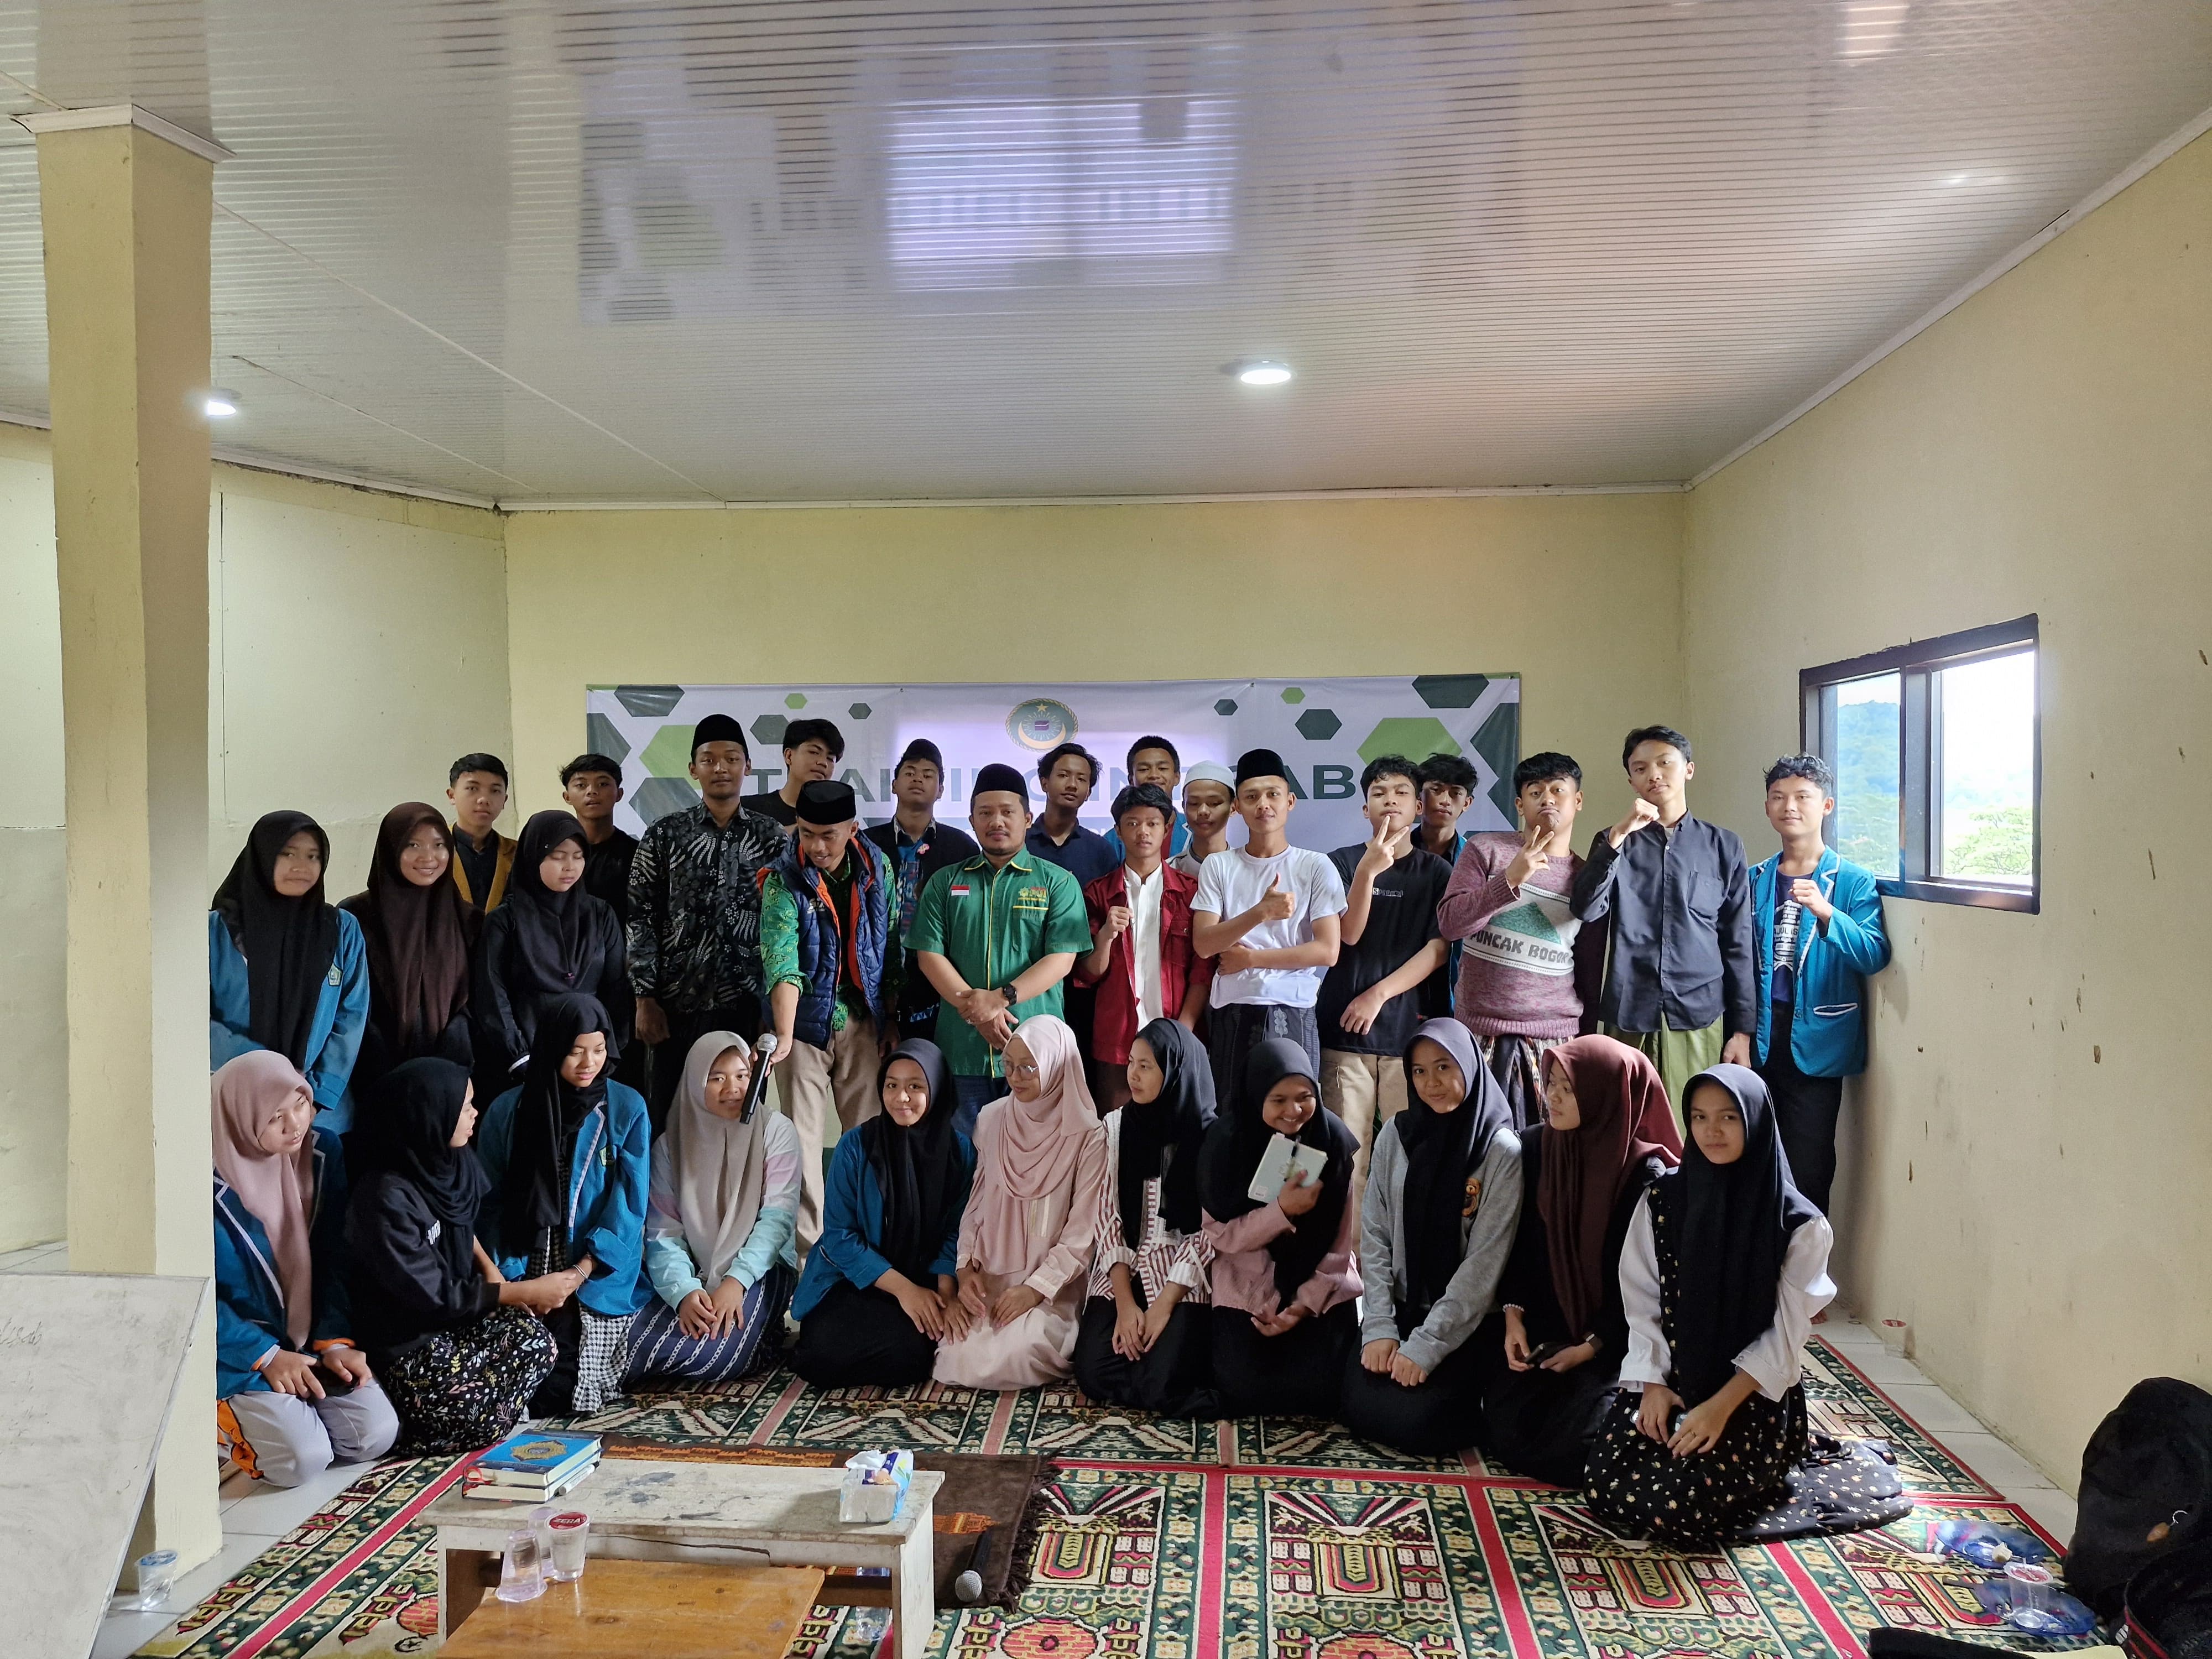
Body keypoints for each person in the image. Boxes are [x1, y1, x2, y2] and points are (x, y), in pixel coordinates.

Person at [1584, 1065, 1835, 1547]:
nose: (1711, 1131)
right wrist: (1653, 1384)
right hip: (1674, 1377)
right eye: (1699, 1117)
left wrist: (1718, 1410)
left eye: (1728, 1118)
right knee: (1605, 1482)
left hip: (1748, 1392)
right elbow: (1642, 1298)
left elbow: (1784, 1338)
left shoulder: (1799, 1224)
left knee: (1684, 1506)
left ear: (1756, 1121)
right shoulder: (1662, 1198)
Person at [1483, 1036, 1679, 1486]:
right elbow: (1521, 1246)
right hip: (1551, 1331)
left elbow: (1648, 1288)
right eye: (1550, 1082)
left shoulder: (1645, 1175)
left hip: (1621, 1341)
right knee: (1506, 1428)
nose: (1551, 1096)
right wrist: (1514, 1317)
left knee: (1583, 1443)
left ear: (1605, 1095)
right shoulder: (1539, 1147)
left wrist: (1590, 1346)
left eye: (1567, 1088)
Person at [343, 1058, 559, 1453]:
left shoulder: (451, 1159)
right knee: (483, 1418)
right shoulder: (384, 1197)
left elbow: (462, 1224)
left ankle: (476, 1415)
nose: (475, 1113)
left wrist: (492, 1271)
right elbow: (433, 1295)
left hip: (460, 1319)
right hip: (409, 1339)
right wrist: (522, 1291)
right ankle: (429, 1430)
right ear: (429, 1116)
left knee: (538, 1343)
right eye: (465, 1107)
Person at [213, 1052, 398, 1485]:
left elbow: (336, 1256)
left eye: (300, 1103)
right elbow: (196, 1296)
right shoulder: (199, 1183)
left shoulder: (321, 1151)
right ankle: (217, 1419)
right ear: (240, 1118)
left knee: (374, 1434)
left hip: (307, 1341)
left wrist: (334, 1341)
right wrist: (266, 1355)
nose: (295, 1124)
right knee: (300, 1460)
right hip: (241, 1350)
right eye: (274, 1116)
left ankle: (290, 1407)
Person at [1338, 1020, 1521, 1455]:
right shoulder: (1397, 1134)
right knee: (1350, 1402)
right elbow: (1376, 1234)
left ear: (1470, 1066)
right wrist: (1379, 1326)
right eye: (1419, 1071)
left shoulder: (1501, 1150)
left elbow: (1484, 1266)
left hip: (1465, 1323)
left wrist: (1425, 1346)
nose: (1431, 1083)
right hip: (1403, 1307)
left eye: (1443, 1067)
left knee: (1417, 1424)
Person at [476, 994, 652, 1415]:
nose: (589, 1063)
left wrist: (577, 1275)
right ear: (552, 1048)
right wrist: (515, 1283)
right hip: (523, 1264)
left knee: (563, 1384)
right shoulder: (509, 1110)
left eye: (599, 1050)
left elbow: (629, 1206)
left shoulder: (626, 1108)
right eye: (575, 1052)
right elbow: (490, 1204)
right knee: (507, 1362)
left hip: (594, 1271)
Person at [1570, 726, 1756, 1114]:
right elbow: (1586, 909)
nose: (1653, 775)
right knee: (1628, 1125)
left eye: (1664, 763)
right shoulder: (1614, 840)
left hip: (1700, 1012)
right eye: (1640, 769)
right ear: (1631, 782)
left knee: (1696, 1122)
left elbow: (1739, 943)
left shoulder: (1724, 845)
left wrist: (1742, 1031)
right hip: (1631, 1009)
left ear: (1688, 769)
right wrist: (1617, 837)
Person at [907, 763, 1092, 1136]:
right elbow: (929, 955)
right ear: (972, 821)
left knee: (1037, 1152)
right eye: (986, 813)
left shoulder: (1058, 883)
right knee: (965, 1155)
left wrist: (1000, 999)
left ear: (1027, 819)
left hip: (1035, 1050)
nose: (997, 822)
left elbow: (1062, 959)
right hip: (963, 1049)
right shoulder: (945, 882)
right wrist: (978, 1012)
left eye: (1008, 812)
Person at [628, 714, 787, 1124]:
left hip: (748, 1003)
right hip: (676, 1003)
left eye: (732, 759)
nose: (721, 768)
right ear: (693, 769)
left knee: (741, 1115)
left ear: (748, 767)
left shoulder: (771, 838)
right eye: (709, 759)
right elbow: (641, 915)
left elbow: (786, 927)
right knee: (669, 1117)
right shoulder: (664, 835)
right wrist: (645, 998)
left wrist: (773, 1009)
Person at [933, 1018, 1108, 1390]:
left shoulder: (1088, 1135)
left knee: (1024, 1350)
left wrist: (1034, 1290)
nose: (1015, 1077)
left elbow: (1083, 1231)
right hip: (992, 1277)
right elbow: (977, 1202)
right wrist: (966, 1269)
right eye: (1008, 1065)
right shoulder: (993, 1119)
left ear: (1056, 1065)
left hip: (1052, 1288)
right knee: (955, 1351)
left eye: (1028, 1067)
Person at [1751, 755, 1892, 1216]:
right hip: (1759, 1037)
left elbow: (1873, 954)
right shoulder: (1755, 879)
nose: (1789, 806)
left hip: (1818, 1043)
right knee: (1754, 1164)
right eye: (1778, 797)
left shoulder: (1851, 880)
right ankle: (1761, 1260)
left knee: (1809, 1168)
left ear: (1827, 805)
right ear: (1767, 807)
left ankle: (1809, 1260)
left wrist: (1828, 912)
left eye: (1802, 797)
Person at [759, 779, 895, 1255]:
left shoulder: (877, 867)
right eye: (807, 833)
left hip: (864, 1020)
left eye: (828, 836)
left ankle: (869, 1250)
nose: (817, 847)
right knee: (802, 1143)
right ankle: (809, 1258)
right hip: (802, 1025)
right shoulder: (782, 878)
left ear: (852, 829)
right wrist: (784, 1034)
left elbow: (890, 946)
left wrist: (891, 1019)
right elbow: (782, 961)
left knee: (868, 1138)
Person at [790, 1040, 976, 1387]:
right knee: (821, 1355)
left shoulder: (960, 1151)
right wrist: (905, 1291)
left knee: (915, 1352)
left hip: (926, 1279)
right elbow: (840, 1237)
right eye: (891, 1085)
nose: (901, 1098)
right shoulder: (856, 1146)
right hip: (854, 1279)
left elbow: (959, 1228)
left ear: (937, 1088)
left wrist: (948, 1295)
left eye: (915, 1086)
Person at [1198, 1037, 1361, 1420]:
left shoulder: (1332, 1140)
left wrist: (1304, 1301)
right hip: (1248, 1282)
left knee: (1328, 1389)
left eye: (1305, 1098)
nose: (1294, 1111)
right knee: (1243, 1387)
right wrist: (1282, 1212)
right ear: (1257, 1097)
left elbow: (1340, 1243)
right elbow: (1219, 1235)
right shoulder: (1226, 1145)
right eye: (1278, 1100)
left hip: (1320, 1281)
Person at [626, 1033, 801, 1386]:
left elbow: (777, 1221)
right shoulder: (670, 1146)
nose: (733, 1088)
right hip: (693, 1268)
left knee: (712, 1355)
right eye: (717, 1078)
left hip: (761, 1269)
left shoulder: (776, 1131)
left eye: (742, 1075)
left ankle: (756, 1343)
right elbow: (663, 1232)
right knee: (628, 1336)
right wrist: (683, 1292)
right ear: (694, 1082)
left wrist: (736, 1281)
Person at [1438, 753, 1598, 1129]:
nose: (1547, 799)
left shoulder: (1586, 877)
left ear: (1577, 801)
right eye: (1535, 792)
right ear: (1520, 804)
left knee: (1549, 1147)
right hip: (1480, 1032)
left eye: (1558, 790)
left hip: (1552, 1038)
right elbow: (1451, 924)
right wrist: (1510, 879)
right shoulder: (1487, 850)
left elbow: (1591, 964)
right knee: (1477, 1146)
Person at [1316, 757, 1450, 1197]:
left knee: (1407, 1162)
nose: (1390, 801)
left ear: (1418, 808)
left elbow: (1438, 950)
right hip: (1343, 1036)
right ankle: (1350, 1246)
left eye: (1401, 793)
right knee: (1347, 1163)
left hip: (1408, 1038)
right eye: (1379, 793)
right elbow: (1348, 934)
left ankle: (1402, 1244)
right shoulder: (1340, 862)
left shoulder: (1436, 872)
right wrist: (1368, 871)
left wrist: (1379, 995)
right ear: (1365, 809)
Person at [1072, 1019, 1218, 1416]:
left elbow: (1208, 1231)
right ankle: (1153, 1380)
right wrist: (1125, 1305)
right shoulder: (1116, 1128)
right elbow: (1108, 1217)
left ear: (1174, 1070)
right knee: (1093, 1371)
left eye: (1146, 1066)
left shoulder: (1208, 1136)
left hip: (1183, 1276)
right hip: (1123, 1269)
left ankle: (1157, 1379)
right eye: (1131, 1063)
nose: (1132, 1075)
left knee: (1164, 1377)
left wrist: (1163, 1306)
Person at [1192, 749, 1347, 1104]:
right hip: (1233, 1007)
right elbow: (1204, 943)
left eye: (1273, 795)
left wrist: (1252, 959)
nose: (1263, 805)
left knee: (1295, 1118)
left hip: (1294, 1005)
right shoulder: (1219, 865)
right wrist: (1260, 912)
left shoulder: (1316, 866)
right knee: (1232, 1114)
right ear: (1237, 807)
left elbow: (1328, 951)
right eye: (1251, 797)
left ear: (1290, 801)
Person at [210, 811, 370, 1133]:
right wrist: (268, 1072)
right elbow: (196, 1018)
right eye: (288, 854)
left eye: (313, 856)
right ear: (263, 856)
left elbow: (351, 1015)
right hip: (239, 1097)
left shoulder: (341, 929)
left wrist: (314, 1096)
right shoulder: (216, 931)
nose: (302, 867)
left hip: (318, 1110)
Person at [473, 809, 630, 1094]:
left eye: (579, 856)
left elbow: (617, 988)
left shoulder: (600, 914)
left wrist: (607, 1052)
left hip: (592, 1062)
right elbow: (492, 994)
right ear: (533, 857)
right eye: (558, 857)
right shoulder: (505, 920)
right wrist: (520, 1057)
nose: (570, 867)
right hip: (528, 1057)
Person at [1074, 784, 1211, 1112]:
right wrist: (1106, 935)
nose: (1143, 832)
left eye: (1152, 823)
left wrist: (1184, 1032)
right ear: (1118, 831)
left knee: (1181, 1127)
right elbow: (1087, 974)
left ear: (1168, 827)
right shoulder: (1098, 893)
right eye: (1133, 823)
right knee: (1116, 1129)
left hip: (1177, 1034)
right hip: (1116, 1041)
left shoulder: (1192, 892)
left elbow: (1202, 970)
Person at [339, 803, 477, 1121]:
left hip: (452, 1078)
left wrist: (450, 1058)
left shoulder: (469, 921)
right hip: (374, 1074)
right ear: (391, 849)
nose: (429, 857)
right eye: (413, 845)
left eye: (439, 845)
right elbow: (349, 998)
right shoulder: (355, 916)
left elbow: (478, 1000)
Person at [864, 739, 980, 1045]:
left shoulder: (962, 848)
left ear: (940, 790)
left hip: (939, 987)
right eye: (910, 772)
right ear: (894, 785)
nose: (918, 779)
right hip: (872, 981)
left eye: (929, 775)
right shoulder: (865, 844)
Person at [1027, 741, 1119, 886]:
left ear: (1088, 793)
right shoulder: (1020, 842)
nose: (1072, 785)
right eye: (1064, 775)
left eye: (1081, 779)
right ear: (1044, 783)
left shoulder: (1101, 850)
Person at [561, 753, 638, 927]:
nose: (592, 791)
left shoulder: (637, 854)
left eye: (603, 784)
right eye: (581, 785)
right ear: (567, 797)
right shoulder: (551, 855)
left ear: (619, 794)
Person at [447, 753, 517, 914]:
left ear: (505, 801)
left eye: (495, 791)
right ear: (452, 795)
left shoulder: (518, 853)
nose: (484, 799)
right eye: (473, 789)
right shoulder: (433, 852)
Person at [1104, 737, 1192, 863]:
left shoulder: (1197, 832)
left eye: (1162, 768)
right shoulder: (1111, 841)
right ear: (1131, 780)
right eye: (1144, 769)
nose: (1154, 775)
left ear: (1177, 777)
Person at [744, 716, 844, 827]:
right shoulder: (749, 809)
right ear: (789, 756)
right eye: (814, 752)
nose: (823, 763)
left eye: (830, 759)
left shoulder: (837, 819)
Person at [1169, 761, 1237, 880]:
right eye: (1194, 803)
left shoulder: (1247, 869)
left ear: (1233, 807)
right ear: (1184, 807)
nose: (1203, 811)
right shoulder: (1167, 872)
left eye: (1214, 803)